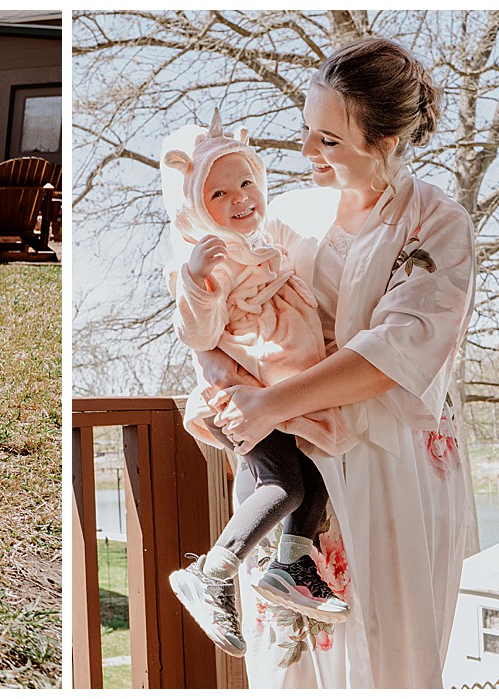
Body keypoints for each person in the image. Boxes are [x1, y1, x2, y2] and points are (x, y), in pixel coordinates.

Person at [204, 38, 477, 688]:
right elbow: (235, 314)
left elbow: (398, 347)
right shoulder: (289, 217)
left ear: (385, 143)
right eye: (306, 131)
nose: (305, 154)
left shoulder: (436, 223)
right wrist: (224, 390)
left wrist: (272, 401)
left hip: (392, 468)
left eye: (328, 140)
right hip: (298, 467)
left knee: (387, 655)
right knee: (291, 669)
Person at [160, 111, 354, 658]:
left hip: (287, 390)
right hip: (247, 393)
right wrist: (197, 282)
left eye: (246, 182)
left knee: (313, 478)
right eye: (219, 192)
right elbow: (198, 332)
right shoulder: (210, 256)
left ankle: (291, 565)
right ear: (198, 206)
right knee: (281, 486)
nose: (240, 197)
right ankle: (210, 573)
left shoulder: (263, 245)